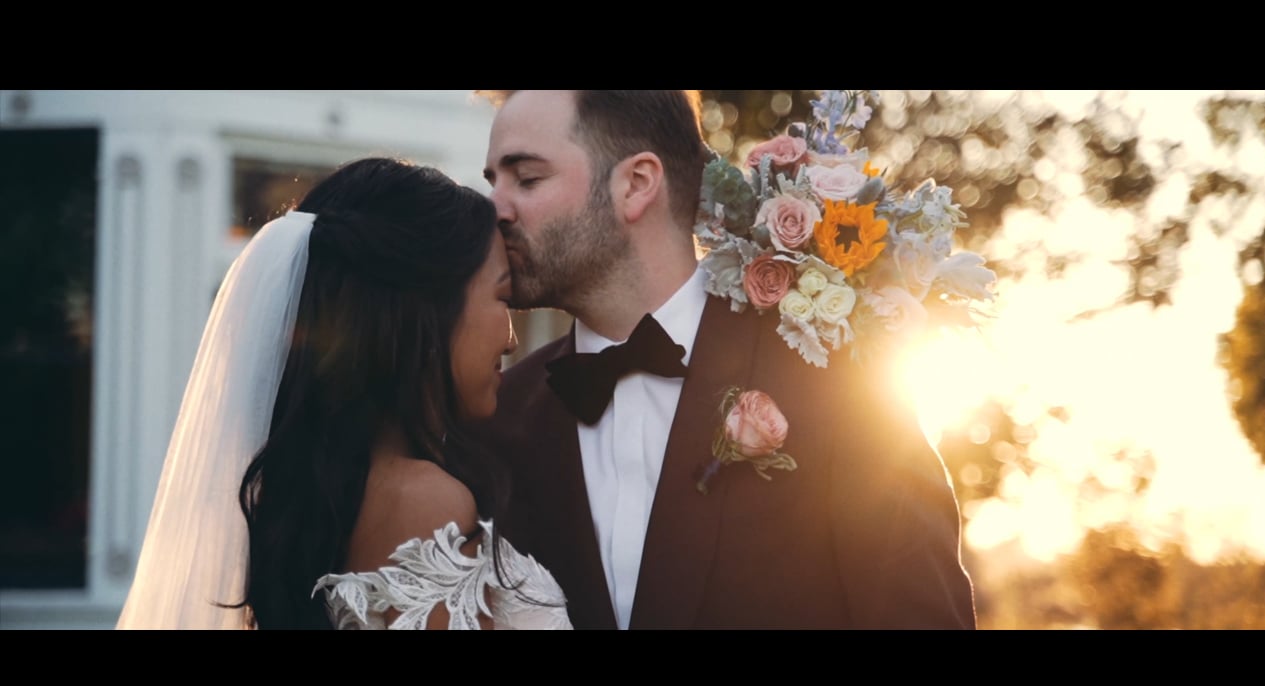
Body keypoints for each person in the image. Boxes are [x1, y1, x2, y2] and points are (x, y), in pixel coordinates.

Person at [478, 90, 977, 629]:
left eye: (526, 178)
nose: (494, 208)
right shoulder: (496, 418)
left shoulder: (838, 386)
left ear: (637, 183)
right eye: (493, 181)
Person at [116, 157, 571, 630]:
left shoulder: (309, 496)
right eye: (502, 299)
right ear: (428, 313)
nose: (511, 339)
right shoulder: (425, 502)